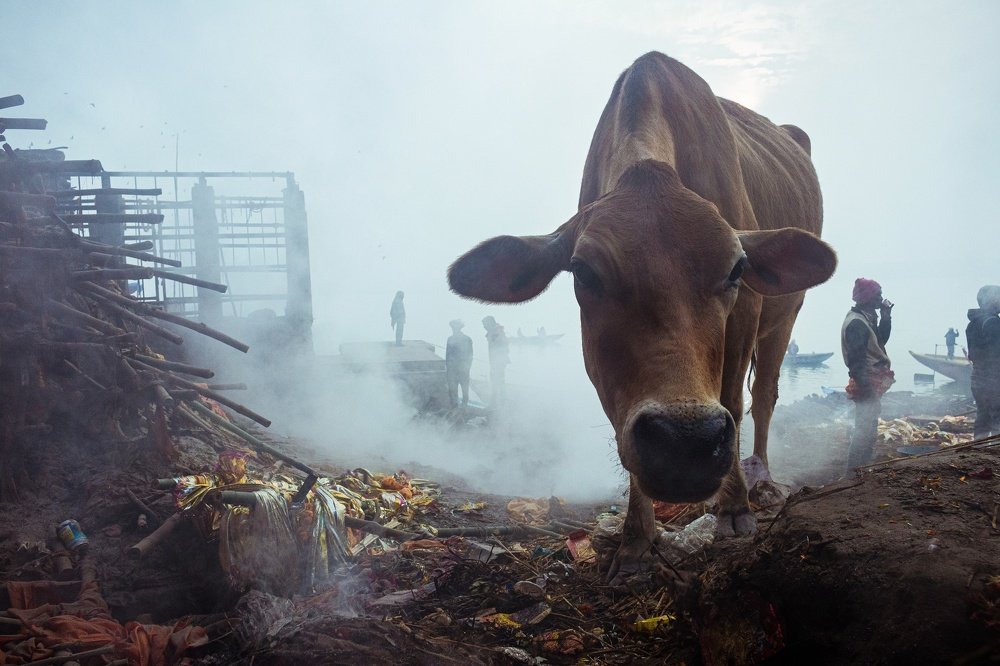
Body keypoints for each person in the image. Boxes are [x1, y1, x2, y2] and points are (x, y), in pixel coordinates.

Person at [841, 277, 895, 469]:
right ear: (867, 297)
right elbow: (856, 364)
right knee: (864, 430)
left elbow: (879, 342)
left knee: (869, 428)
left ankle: (861, 469)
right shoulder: (857, 323)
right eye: (878, 294)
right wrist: (869, 393)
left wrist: (886, 316)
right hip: (865, 382)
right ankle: (853, 472)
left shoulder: (865, 318)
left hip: (869, 381)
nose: (881, 298)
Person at [966, 285, 1000, 439]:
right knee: (997, 419)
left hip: (978, 379)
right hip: (994, 380)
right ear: (992, 300)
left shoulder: (973, 323)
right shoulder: (992, 323)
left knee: (983, 417)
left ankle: (979, 450)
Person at [482, 315, 510, 407]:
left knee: (497, 381)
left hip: (498, 362)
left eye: (485, 324)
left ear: (490, 323)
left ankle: (497, 402)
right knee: (498, 381)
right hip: (496, 361)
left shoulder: (496, 333)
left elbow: (500, 347)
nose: (484, 327)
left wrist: (499, 361)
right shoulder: (495, 332)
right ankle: (500, 400)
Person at [445, 319, 474, 408]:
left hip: (463, 369)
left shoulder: (467, 339)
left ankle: (464, 406)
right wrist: (448, 368)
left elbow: (470, 355)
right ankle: (454, 406)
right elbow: (448, 355)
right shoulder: (450, 339)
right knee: (452, 390)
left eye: (455, 327)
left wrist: (467, 367)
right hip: (452, 369)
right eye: (452, 327)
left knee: (464, 389)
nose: (453, 329)